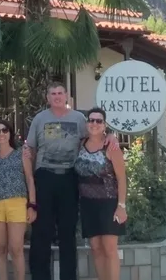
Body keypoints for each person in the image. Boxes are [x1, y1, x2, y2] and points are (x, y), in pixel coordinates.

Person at [25, 82, 119, 280]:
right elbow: (30, 149)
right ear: (47, 97)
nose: (57, 96)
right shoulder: (39, 119)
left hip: (70, 178)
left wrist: (111, 135)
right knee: (42, 230)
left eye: (60, 93)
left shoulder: (79, 119)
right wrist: (32, 180)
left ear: (66, 96)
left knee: (67, 232)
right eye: (53, 93)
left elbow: (95, 134)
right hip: (45, 177)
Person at [73, 107, 127, 280]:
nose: (94, 123)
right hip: (87, 203)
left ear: (104, 125)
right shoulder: (80, 144)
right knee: (95, 247)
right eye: (91, 120)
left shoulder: (111, 147)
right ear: (87, 123)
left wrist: (121, 206)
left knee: (109, 248)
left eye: (99, 121)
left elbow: (122, 178)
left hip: (109, 203)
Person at [0, 119, 37, 280]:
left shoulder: (21, 153)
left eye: (5, 130)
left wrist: (32, 205)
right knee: (0, 248)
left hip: (17, 203)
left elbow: (30, 179)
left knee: (16, 248)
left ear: (10, 133)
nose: (1, 134)